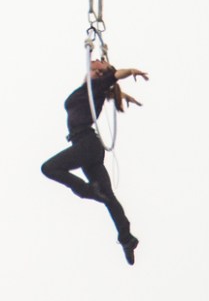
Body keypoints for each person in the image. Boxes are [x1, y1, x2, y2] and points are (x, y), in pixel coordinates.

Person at [41, 59, 149, 265]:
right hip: (89, 147)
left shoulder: (98, 85)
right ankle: (127, 238)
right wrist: (122, 95)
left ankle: (89, 191)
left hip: (87, 144)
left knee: (49, 168)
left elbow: (116, 75)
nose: (97, 60)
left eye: (100, 62)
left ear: (100, 73)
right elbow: (108, 87)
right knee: (108, 197)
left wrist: (132, 71)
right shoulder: (89, 90)